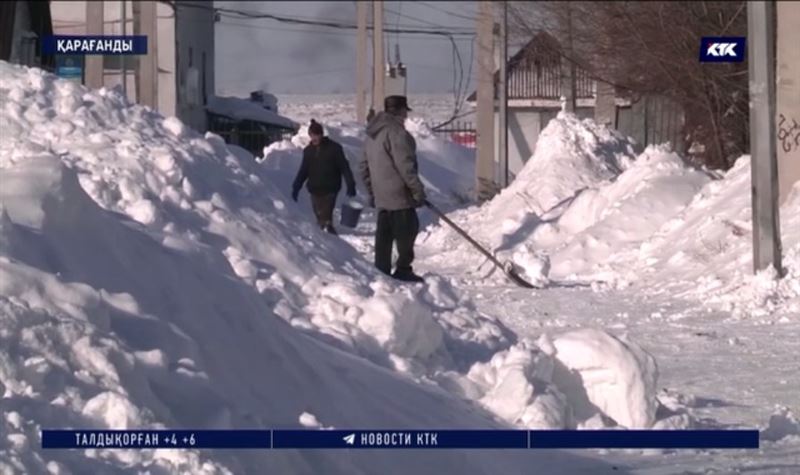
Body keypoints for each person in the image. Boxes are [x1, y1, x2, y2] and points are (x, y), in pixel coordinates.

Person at [359, 95, 427, 283]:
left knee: (384, 236)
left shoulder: (372, 135)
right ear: (399, 112)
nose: (406, 115)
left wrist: (373, 192)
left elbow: (363, 167)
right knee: (408, 231)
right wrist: (417, 190)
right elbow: (406, 166)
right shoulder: (397, 133)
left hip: (382, 197)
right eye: (405, 111)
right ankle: (403, 270)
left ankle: (381, 271)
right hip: (399, 196)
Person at [292, 119, 356, 235]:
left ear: (322, 134)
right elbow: (304, 170)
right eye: (312, 135)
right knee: (319, 218)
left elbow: (344, 167)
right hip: (314, 189)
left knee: (326, 218)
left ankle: (331, 238)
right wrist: (296, 186)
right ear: (309, 135)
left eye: (317, 135)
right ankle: (326, 241)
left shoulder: (334, 149)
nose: (315, 138)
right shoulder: (308, 151)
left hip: (330, 188)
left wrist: (350, 184)